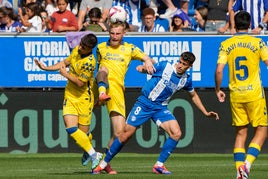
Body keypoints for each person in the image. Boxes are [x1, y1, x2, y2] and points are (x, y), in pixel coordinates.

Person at [92, 51, 219, 174]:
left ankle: (159, 165)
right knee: (125, 135)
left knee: (176, 133)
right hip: (144, 104)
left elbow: (193, 95)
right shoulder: (165, 66)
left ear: (190, 66)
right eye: (180, 62)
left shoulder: (186, 80)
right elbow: (146, 69)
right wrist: (142, 68)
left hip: (160, 108)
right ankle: (103, 164)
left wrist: (206, 112)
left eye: (184, 64)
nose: (180, 65)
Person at [81, 21, 155, 174]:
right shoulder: (101, 48)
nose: (114, 37)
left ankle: (101, 161)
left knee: (120, 133)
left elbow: (148, 58)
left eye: (117, 34)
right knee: (103, 69)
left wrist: (147, 61)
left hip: (116, 90)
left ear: (124, 34)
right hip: (100, 85)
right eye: (112, 33)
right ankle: (89, 150)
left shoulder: (129, 48)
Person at [34, 33, 103, 173]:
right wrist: (45, 68)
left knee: (83, 135)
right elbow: (64, 63)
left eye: (84, 46)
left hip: (84, 99)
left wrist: (65, 74)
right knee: (71, 129)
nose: (80, 47)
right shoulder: (77, 50)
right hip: (70, 96)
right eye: (81, 44)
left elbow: (80, 83)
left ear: (90, 48)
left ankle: (88, 150)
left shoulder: (90, 62)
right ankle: (95, 154)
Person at [215, 11, 268, 179]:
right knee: (262, 131)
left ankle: (240, 172)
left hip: (236, 94)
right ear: (250, 25)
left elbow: (219, 70)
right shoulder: (258, 42)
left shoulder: (226, 44)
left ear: (234, 26)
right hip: (254, 94)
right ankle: (247, 164)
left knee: (240, 134)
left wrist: (217, 90)